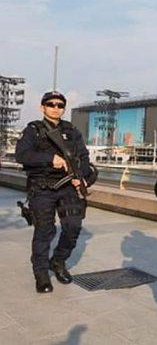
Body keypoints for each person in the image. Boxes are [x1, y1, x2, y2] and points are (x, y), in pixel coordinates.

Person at [15, 91, 97, 293]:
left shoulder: (72, 131)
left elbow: (84, 158)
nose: (55, 108)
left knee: (72, 227)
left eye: (60, 105)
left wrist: (82, 176)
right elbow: (22, 155)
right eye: (51, 104)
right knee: (45, 231)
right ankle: (41, 273)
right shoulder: (33, 130)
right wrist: (49, 158)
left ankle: (58, 261)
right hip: (42, 187)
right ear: (42, 107)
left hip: (68, 186)